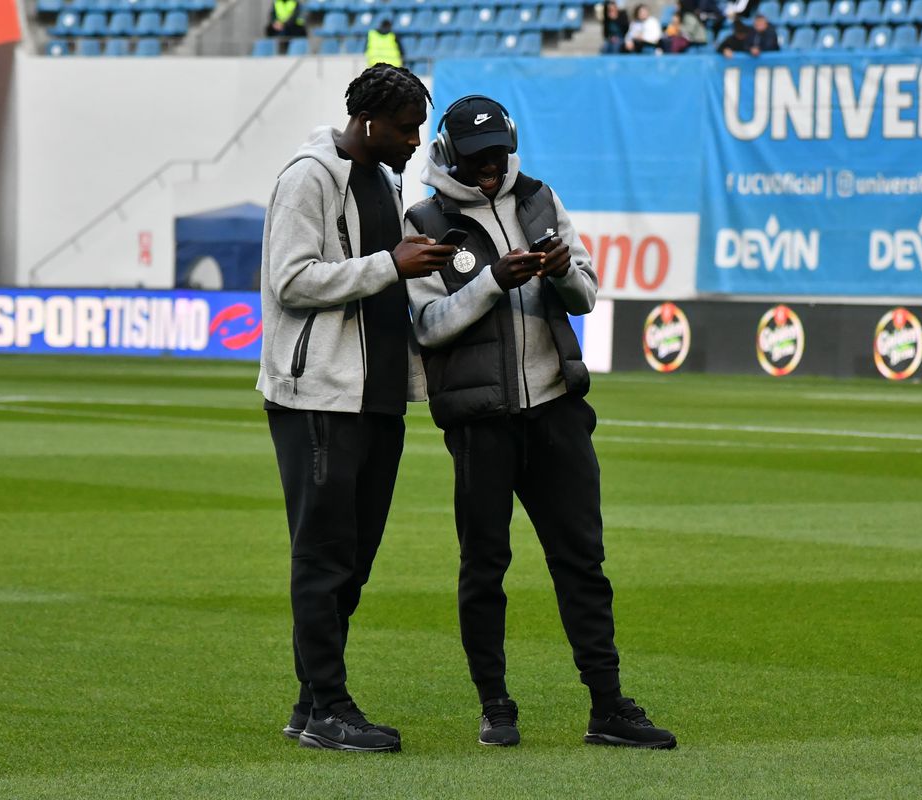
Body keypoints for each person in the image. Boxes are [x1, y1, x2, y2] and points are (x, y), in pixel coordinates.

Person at [404, 95, 677, 751]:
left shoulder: (540, 200)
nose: (490, 170)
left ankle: (608, 707)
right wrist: (493, 281)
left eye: (497, 155)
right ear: (448, 155)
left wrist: (559, 275)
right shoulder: (424, 219)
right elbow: (427, 326)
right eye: (476, 160)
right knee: (485, 566)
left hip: (555, 408)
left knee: (583, 562)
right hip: (480, 422)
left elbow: (587, 292)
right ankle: (495, 706)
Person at [258, 64, 455, 753]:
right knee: (324, 555)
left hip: (375, 397)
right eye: (405, 129)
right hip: (318, 395)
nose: (414, 142)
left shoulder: (387, 180)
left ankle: (313, 703)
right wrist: (389, 265)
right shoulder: (307, 178)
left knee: (355, 558)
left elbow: (387, 272)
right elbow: (289, 281)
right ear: (369, 122)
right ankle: (329, 707)